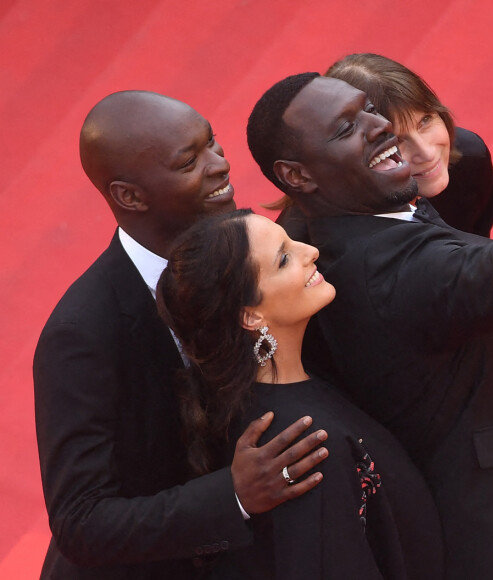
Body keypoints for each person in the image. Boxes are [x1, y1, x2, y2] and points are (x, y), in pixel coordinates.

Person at [246, 73, 493, 580]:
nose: (381, 129)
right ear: (298, 176)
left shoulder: (360, 208)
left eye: (369, 110)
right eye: (345, 129)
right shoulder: (383, 271)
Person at [33, 90, 329, 579]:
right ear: (130, 195)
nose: (220, 165)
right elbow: (80, 522)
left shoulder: (258, 252)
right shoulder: (82, 334)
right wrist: (232, 496)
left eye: (213, 142)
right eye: (190, 160)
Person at [156, 208, 444, 579]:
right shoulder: (301, 443)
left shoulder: (268, 402)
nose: (310, 251)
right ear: (250, 316)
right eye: (284, 259)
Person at [276, 53, 493, 241]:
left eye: (426, 121)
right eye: (396, 141)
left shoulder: (469, 157)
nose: (427, 153)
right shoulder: (305, 245)